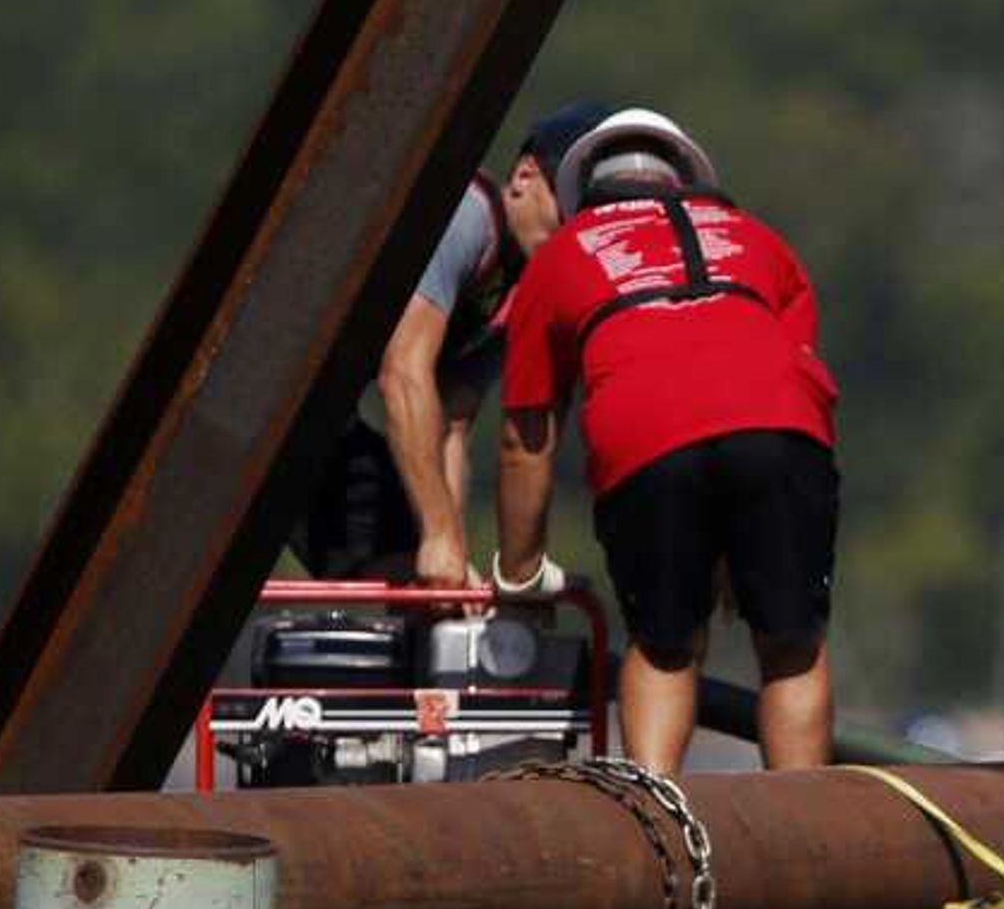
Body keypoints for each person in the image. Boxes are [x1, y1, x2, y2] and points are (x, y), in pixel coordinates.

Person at [492, 108, 840, 773]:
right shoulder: (758, 237)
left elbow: (525, 436)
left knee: (663, 644)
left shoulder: (561, 256)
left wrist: (519, 572)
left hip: (645, 438)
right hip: (782, 427)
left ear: (581, 193)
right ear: (687, 179)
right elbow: (797, 368)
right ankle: (809, 847)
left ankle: (658, 838)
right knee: (791, 644)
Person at [291, 96, 614, 583]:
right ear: (525, 177)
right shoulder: (466, 214)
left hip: (320, 419)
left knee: (417, 576)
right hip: (272, 387)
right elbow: (402, 374)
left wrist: (449, 549)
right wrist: (439, 536)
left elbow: (450, 425)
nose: (572, 230)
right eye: (566, 207)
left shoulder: (522, 290)